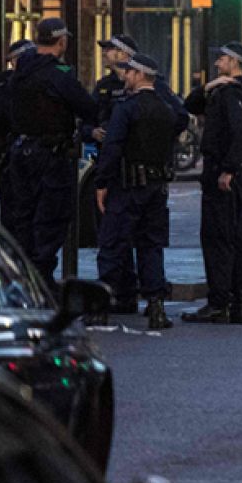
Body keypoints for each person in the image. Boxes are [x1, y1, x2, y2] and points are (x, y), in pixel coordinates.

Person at [91, 53, 188, 330]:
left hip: (127, 186)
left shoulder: (127, 108)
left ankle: (101, 307)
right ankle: (156, 306)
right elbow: (180, 120)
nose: (126, 77)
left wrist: (102, 182)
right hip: (157, 188)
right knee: (151, 247)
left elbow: (113, 147)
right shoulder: (165, 107)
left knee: (112, 244)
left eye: (129, 72)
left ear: (139, 75)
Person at [3, 18, 99, 281]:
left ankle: (25, 281)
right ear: (62, 41)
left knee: (24, 219)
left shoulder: (20, 73)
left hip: (20, 153)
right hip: (50, 157)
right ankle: (41, 283)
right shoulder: (58, 75)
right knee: (51, 221)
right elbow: (88, 108)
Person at [182, 42, 242, 324]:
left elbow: (241, 134)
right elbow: (190, 104)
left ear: (234, 62)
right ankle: (240, 302)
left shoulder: (232, 94)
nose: (217, 63)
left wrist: (228, 170)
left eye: (222, 60)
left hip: (224, 175)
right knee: (234, 237)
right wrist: (210, 85)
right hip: (229, 172)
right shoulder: (224, 90)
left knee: (218, 238)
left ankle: (221, 302)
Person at [0, 39, 36, 216]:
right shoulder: (3, 82)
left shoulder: (36, 80)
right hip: (10, 152)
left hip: (26, 150)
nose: (13, 64)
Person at [88, 34, 140, 143]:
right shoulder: (103, 85)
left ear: (122, 53)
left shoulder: (143, 80)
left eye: (108, 50)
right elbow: (88, 115)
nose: (103, 54)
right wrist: (92, 132)